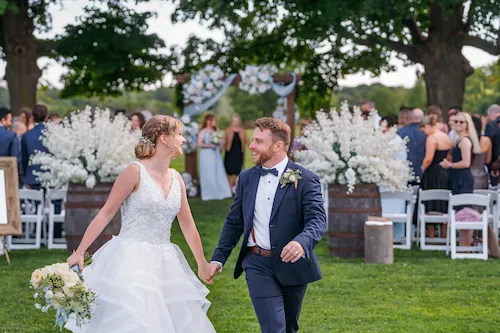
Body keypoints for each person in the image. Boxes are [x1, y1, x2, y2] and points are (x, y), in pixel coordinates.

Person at [66, 115, 216, 332]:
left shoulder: (177, 179)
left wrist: (201, 262)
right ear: (164, 138)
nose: (183, 140)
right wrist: (80, 252)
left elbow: (188, 225)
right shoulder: (134, 172)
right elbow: (106, 213)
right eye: (180, 135)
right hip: (130, 261)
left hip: (166, 262)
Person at [208, 117, 327, 333]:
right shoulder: (246, 178)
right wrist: (218, 258)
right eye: (253, 140)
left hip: (293, 264)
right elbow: (235, 222)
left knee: (289, 327)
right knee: (273, 327)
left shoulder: (306, 179)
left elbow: (317, 220)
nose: (251, 145)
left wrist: (301, 243)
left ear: (278, 146)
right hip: (257, 263)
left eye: (258, 141)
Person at [440, 112, 481, 246]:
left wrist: (450, 165)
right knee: (461, 211)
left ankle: (465, 245)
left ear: (467, 125)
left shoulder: (464, 140)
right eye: (456, 121)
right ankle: (464, 244)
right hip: (458, 177)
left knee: (465, 212)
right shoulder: (459, 139)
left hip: (463, 178)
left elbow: (466, 163)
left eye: (461, 122)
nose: (458, 124)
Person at [420, 115, 453, 238]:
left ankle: (431, 236)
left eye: (424, 129)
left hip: (433, 173)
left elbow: (428, 158)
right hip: (444, 172)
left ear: (428, 126)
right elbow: (449, 156)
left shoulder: (432, 138)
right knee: (443, 203)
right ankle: (444, 236)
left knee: (431, 203)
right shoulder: (446, 137)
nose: (424, 133)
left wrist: (423, 167)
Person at [380, 116, 407, 241]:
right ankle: (393, 235)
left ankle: (396, 235)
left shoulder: (394, 141)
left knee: (395, 206)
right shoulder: (392, 140)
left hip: (393, 178)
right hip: (390, 178)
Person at [197, 113, 232, 201]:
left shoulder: (217, 131)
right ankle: (209, 193)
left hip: (215, 154)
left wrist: (221, 144)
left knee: (217, 171)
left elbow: (220, 142)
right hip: (206, 154)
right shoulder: (203, 131)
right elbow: (199, 143)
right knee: (208, 171)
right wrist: (209, 146)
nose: (215, 122)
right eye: (213, 120)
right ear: (208, 121)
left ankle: (221, 192)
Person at [21, 105, 49, 190]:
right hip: (50, 176)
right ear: (46, 116)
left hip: (32, 176)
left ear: (32, 117)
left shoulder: (27, 135)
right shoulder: (53, 133)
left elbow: (24, 158)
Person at [398, 108, 427, 182]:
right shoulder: (426, 133)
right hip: (423, 169)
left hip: (405, 169)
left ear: (410, 118)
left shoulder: (401, 132)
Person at [223, 114, 248, 194]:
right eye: (234, 121)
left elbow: (247, 141)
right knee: (229, 171)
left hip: (239, 154)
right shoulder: (228, 130)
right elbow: (224, 141)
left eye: (237, 121)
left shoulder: (243, 131)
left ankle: (236, 189)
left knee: (238, 171)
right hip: (230, 153)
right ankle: (229, 189)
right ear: (232, 122)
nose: (235, 122)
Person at [470, 116, 491, 189]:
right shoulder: (487, 140)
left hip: (469, 174)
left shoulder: (466, 140)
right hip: (482, 173)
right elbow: (488, 160)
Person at [0, 108, 21, 175]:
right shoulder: (10, 135)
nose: (11, 123)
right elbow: (15, 158)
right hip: (5, 173)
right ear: (3, 120)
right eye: (10, 120)